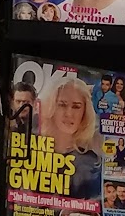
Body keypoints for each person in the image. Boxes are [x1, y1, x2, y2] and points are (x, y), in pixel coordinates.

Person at [38, 72, 103, 203]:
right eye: (62, 104)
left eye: (76, 107)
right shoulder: (31, 149)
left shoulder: (90, 162)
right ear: (51, 107)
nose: (69, 113)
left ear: (85, 111)